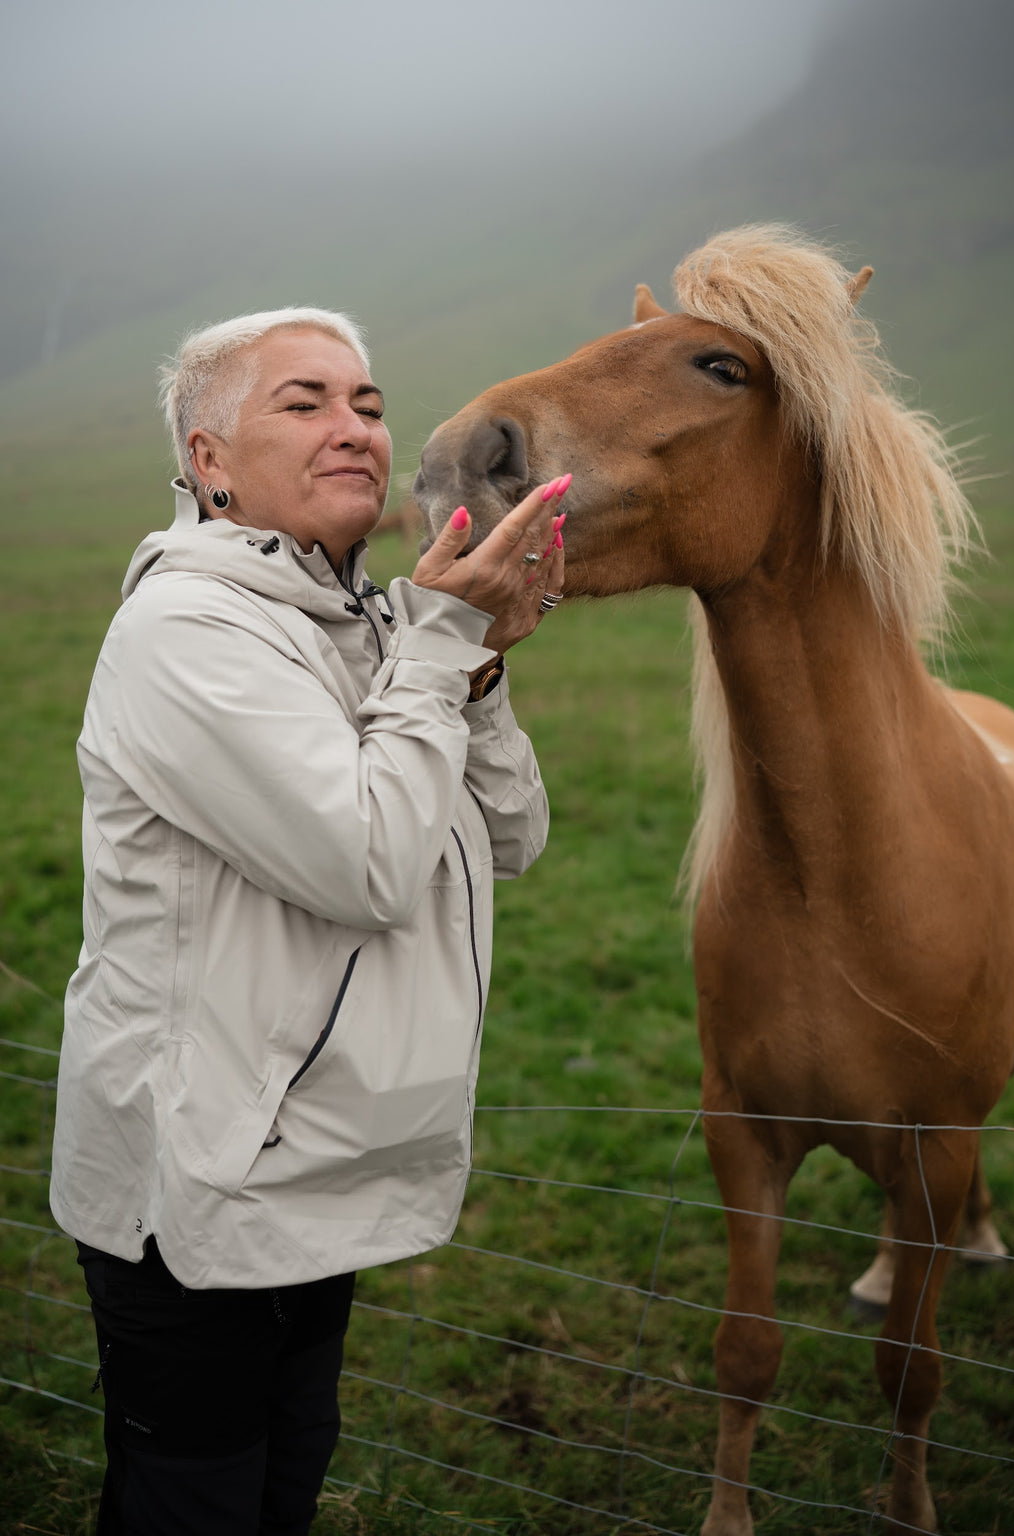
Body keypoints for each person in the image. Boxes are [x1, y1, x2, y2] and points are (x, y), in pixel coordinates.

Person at [49, 305, 569, 1535]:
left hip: (310, 1166)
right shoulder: (186, 633)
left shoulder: (376, 627)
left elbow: (508, 841)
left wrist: (474, 667)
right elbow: (370, 865)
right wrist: (439, 649)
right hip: (197, 1189)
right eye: (306, 403)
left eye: (369, 404)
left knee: (284, 1486)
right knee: (194, 1503)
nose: (356, 429)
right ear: (208, 460)